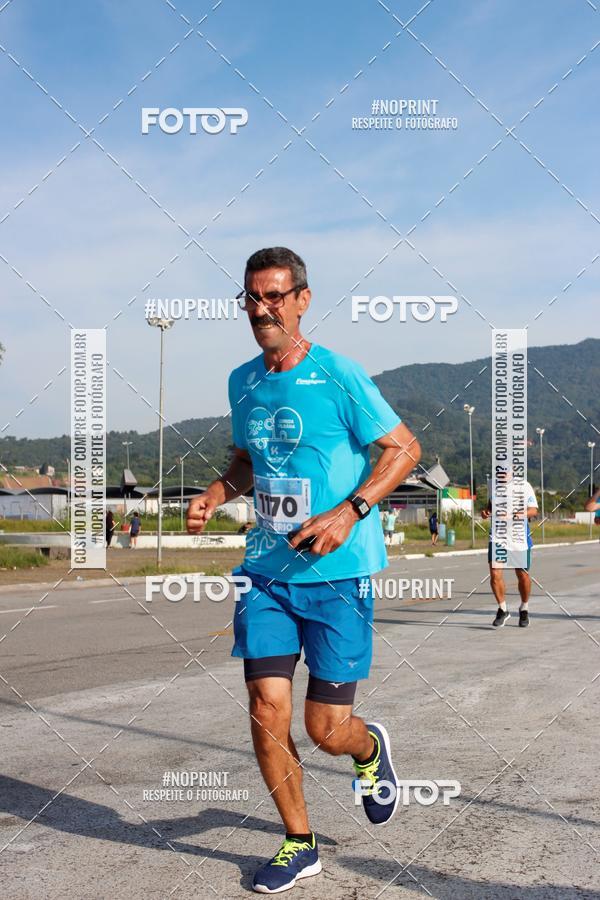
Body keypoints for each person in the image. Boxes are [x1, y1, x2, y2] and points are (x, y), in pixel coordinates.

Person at [187, 247, 420, 894]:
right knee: (266, 708)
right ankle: (299, 841)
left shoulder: (339, 374)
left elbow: (404, 448)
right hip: (266, 572)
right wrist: (215, 493)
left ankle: (367, 749)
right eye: (251, 298)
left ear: (302, 300)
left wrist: (351, 511)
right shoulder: (243, 381)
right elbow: (246, 461)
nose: (261, 309)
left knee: (325, 730)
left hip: (336, 574)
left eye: (274, 296)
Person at [482, 475, 538, 628]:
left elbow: (533, 510)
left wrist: (515, 515)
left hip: (518, 537)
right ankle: (503, 609)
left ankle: (524, 608)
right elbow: (490, 506)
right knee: (495, 574)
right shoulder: (492, 485)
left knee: (522, 575)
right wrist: (486, 512)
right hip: (498, 537)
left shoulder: (524, 486)